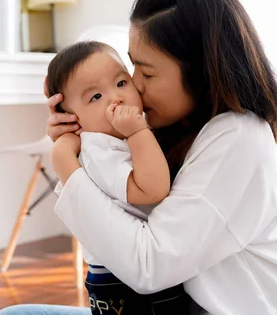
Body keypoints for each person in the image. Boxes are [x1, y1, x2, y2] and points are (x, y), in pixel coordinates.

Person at [0, 0, 277, 315]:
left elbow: (147, 265)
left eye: (146, 74)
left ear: (202, 73)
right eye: (131, 66)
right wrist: (86, 137)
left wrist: (68, 165)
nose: (133, 85)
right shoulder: (169, 126)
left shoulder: (237, 137)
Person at [45, 41, 206, 314]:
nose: (115, 98)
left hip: (122, 275)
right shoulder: (101, 150)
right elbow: (152, 190)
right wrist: (137, 132)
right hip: (122, 284)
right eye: (95, 97)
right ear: (72, 118)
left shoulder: (113, 139)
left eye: (121, 83)